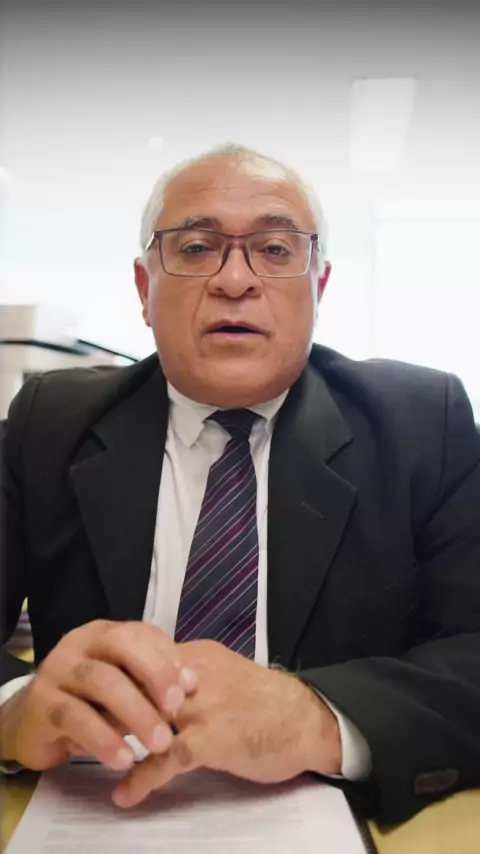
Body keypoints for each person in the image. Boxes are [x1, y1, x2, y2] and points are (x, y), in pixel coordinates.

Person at [2, 143, 480, 827]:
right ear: (143, 289)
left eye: (275, 250)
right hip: (90, 806)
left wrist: (315, 719)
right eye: (196, 248)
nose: (234, 280)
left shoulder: (423, 423)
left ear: (318, 287)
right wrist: (14, 709)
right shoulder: (47, 423)